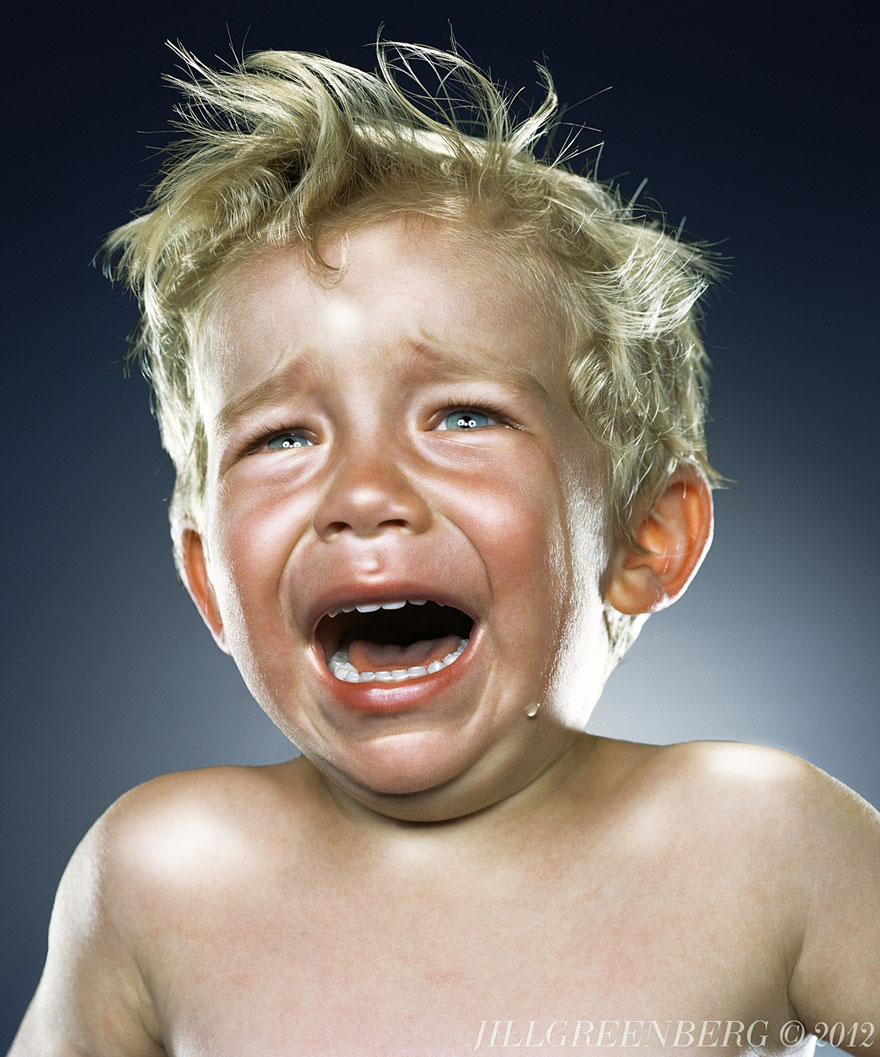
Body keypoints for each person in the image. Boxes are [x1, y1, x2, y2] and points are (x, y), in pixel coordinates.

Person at [9, 42, 879, 1057]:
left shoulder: (759, 842)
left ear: (647, 537)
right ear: (210, 582)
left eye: (462, 415)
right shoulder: (163, 873)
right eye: (281, 437)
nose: (363, 494)